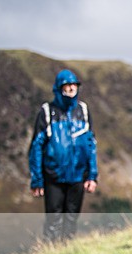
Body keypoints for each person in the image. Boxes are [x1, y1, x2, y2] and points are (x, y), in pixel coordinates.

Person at [28, 69, 98, 241]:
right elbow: (36, 147)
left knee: (72, 218)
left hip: (77, 176)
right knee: (53, 219)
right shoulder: (47, 112)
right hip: (54, 177)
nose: (71, 88)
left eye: (74, 84)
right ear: (59, 88)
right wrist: (37, 179)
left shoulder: (83, 111)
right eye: (67, 85)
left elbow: (91, 144)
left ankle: (67, 253)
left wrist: (92, 175)